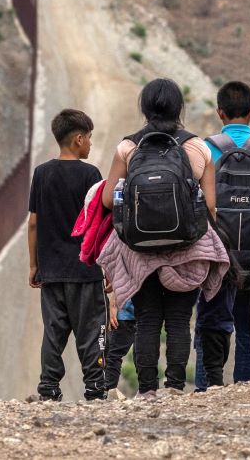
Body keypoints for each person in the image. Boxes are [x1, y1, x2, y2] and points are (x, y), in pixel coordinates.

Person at [97, 78, 229, 398]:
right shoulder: (197, 148)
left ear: (144, 108)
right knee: (179, 321)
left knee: (146, 321)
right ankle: (173, 387)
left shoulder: (128, 148)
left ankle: (146, 390)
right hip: (186, 248)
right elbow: (211, 206)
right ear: (178, 107)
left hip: (140, 252)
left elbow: (105, 201)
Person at [195, 81, 250, 389]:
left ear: (220, 113)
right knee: (249, 328)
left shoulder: (205, 147)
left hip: (215, 254)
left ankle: (205, 390)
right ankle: (244, 392)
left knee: (208, 323)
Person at [28, 109, 107, 401]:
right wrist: (107, 268)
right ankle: (95, 386)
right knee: (92, 330)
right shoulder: (91, 175)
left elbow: (34, 222)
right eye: (89, 138)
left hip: (51, 270)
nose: (90, 144)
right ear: (77, 138)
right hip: (85, 271)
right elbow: (98, 225)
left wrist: (34, 264)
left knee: (53, 331)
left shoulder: (41, 173)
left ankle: (48, 387)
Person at [104, 297, 135, 394]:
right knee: (146, 355)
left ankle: (108, 392)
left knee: (113, 355)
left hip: (126, 312)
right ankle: (149, 390)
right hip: (150, 313)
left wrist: (113, 303)